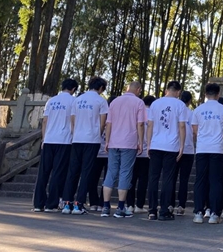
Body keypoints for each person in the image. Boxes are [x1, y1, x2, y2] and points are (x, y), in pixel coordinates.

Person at [61, 76, 109, 215]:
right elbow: (102, 122)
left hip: (77, 138)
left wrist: (75, 132)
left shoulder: (78, 100)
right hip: (92, 139)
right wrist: (98, 134)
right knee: (86, 171)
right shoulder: (101, 101)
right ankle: (79, 204)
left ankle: (66, 203)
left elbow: (72, 119)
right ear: (100, 88)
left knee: (73, 171)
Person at [101, 81, 146, 218]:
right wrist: (140, 141)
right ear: (138, 89)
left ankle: (106, 206)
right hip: (129, 142)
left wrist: (107, 141)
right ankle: (120, 207)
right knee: (125, 172)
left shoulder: (115, 102)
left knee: (111, 172)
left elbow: (109, 124)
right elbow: (140, 124)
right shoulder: (139, 103)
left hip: (114, 141)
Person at [33, 78, 78, 212]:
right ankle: (51, 204)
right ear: (73, 89)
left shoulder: (51, 101)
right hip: (64, 140)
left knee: (43, 173)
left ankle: (38, 203)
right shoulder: (73, 101)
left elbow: (45, 121)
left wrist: (43, 139)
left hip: (49, 139)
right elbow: (73, 121)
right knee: (58, 172)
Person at [146, 80, 187, 221]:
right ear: (178, 92)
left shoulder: (155, 103)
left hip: (156, 144)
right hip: (171, 146)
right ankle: (164, 211)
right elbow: (182, 126)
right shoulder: (180, 105)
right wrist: (182, 146)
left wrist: (148, 144)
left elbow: (150, 125)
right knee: (168, 179)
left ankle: (151, 211)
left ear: (166, 90)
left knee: (153, 178)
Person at [192, 83, 223, 225]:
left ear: (205, 94)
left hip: (202, 148)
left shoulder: (198, 110)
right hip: (217, 150)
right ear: (218, 94)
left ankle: (198, 213)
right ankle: (215, 213)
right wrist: (218, 139)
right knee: (216, 181)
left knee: (200, 180)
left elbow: (195, 131)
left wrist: (204, 139)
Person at [126, 95, 155, 214]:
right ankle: (139, 205)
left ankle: (129, 205)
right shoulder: (153, 114)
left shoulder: (137, 112)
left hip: (133, 148)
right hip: (147, 151)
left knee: (131, 178)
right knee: (143, 179)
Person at [172, 90, 195, 216]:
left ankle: (169, 204)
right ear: (190, 101)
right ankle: (181, 205)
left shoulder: (175, 112)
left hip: (175, 148)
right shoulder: (192, 114)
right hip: (188, 149)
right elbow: (195, 131)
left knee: (172, 177)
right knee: (184, 180)